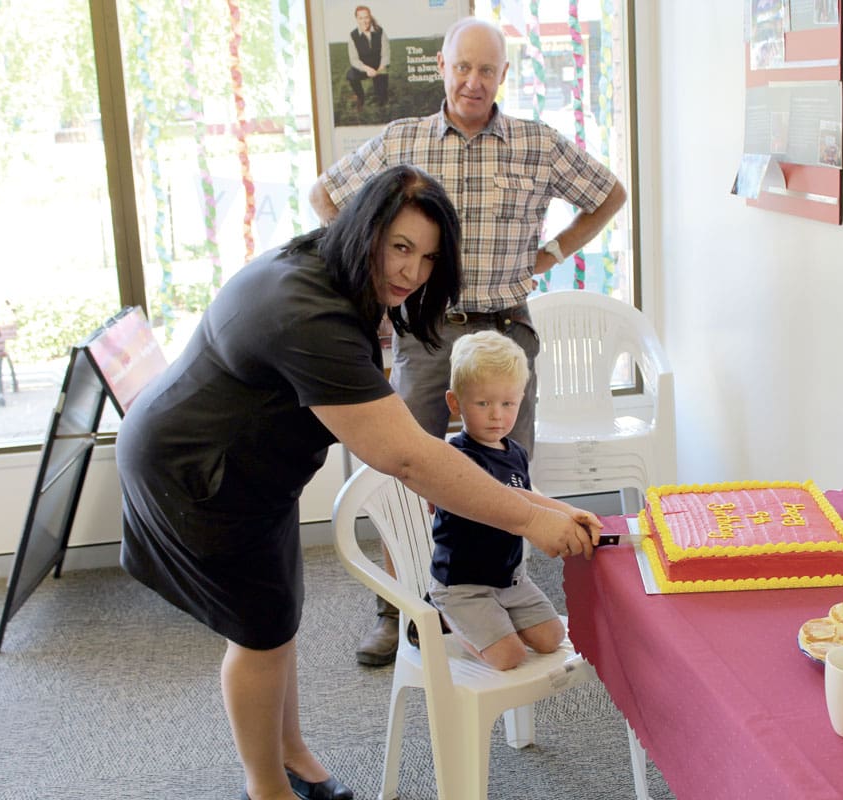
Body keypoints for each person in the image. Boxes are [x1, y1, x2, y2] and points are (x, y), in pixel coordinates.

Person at [116, 165, 599, 800]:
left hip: (250, 471)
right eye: (400, 247)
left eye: (428, 257)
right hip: (197, 473)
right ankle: (267, 789)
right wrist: (534, 520)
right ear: (365, 229)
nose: (411, 272)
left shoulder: (331, 267)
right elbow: (407, 458)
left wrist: (540, 506)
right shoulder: (307, 312)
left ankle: (292, 756)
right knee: (259, 635)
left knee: (279, 619)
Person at [310, 15, 627, 667]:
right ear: (443, 68)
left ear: (504, 75)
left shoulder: (537, 144)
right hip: (431, 333)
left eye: (487, 69)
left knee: (503, 475)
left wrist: (555, 250)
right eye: (462, 67)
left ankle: (500, 594)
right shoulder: (404, 141)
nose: (473, 82)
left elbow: (609, 194)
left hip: (507, 333)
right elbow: (325, 195)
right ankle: (396, 610)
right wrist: (376, 263)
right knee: (402, 472)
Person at [430, 331, 594, 670]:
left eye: (508, 404)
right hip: (464, 584)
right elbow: (508, 499)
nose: (496, 416)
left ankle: (493, 620)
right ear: (455, 403)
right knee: (509, 659)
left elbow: (529, 494)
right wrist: (562, 513)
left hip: (510, 579)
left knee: (551, 640)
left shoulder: (515, 451)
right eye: (483, 403)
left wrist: (571, 511)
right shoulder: (454, 458)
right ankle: (444, 617)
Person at [345, 6, 389, 112]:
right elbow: (354, 60)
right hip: (364, 69)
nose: (364, 21)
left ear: (370, 18)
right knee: (350, 75)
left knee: (382, 100)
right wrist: (367, 69)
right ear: (356, 19)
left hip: (379, 68)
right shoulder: (353, 36)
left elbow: (386, 55)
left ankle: (381, 98)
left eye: (366, 17)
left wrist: (379, 70)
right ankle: (360, 97)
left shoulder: (380, 32)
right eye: (360, 18)